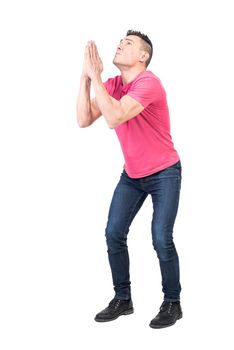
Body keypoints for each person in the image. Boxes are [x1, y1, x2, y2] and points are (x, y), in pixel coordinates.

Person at [76, 30, 183, 329]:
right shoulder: (111, 85)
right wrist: (86, 78)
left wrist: (96, 78)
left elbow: (114, 117)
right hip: (133, 175)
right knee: (113, 233)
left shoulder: (148, 83)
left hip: (164, 172)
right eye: (120, 41)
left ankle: (173, 303)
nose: (120, 44)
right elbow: (84, 119)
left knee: (161, 238)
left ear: (143, 56)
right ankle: (123, 300)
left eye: (129, 43)